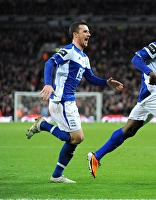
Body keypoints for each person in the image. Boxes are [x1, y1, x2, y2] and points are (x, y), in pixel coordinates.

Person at [87, 21, 156, 187]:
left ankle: (96, 156)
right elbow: (136, 58)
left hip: (147, 97)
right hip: (154, 94)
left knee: (129, 131)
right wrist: (149, 72)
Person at [26, 20, 123, 183]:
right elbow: (49, 62)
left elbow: (90, 78)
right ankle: (43, 125)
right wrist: (48, 84)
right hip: (61, 101)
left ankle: (56, 175)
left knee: (74, 139)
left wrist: (106, 82)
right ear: (75, 34)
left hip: (69, 102)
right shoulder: (69, 51)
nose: (89, 34)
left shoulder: (84, 58)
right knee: (76, 137)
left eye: (89, 31)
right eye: (85, 31)